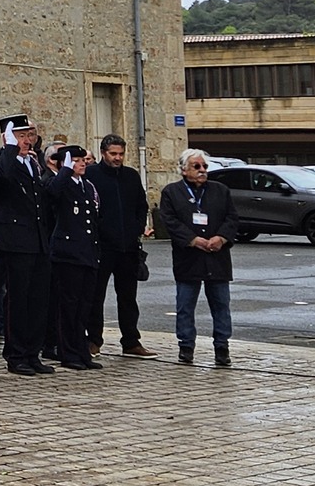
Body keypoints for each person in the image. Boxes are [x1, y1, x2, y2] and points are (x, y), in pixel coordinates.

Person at [159, 150, 239, 366]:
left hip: (217, 257)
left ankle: (222, 347)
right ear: (184, 170)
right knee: (185, 305)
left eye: (204, 166)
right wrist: (192, 240)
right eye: (197, 166)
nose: (202, 170)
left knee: (221, 305)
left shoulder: (220, 191)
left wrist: (221, 238)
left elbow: (232, 218)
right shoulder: (172, 192)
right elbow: (169, 220)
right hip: (188, 257)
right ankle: (186, 347)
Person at [0, 115, 54, 377]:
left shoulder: (33, 163)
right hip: (15, 241)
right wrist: (9, 148)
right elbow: (1, 178)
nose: (27, 141)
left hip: (37, 240)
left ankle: (32, 352)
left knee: (38, 299)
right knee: (18, 300)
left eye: (30, 135)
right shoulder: (0, 161)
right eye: (21, 136)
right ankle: (16, 354)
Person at [89, 135, 155, 357]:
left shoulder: (131, 176)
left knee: (128, 297)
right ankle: (93, 339)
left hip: (128, 247)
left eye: (121, 154)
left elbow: (141, 205)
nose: (117, 158)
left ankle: (131, 341)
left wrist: (137, 227)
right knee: (96, 296)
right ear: (103, 153)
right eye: (113, 154)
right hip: (102, 246)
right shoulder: (92, 175)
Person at [46, 145, 103, 370]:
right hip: (67, 254)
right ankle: (68, 352)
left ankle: (81, 351)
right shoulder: (60, 183)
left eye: (83, 160)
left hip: (87, 252)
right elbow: (52, 194)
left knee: (83, 306)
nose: (82, 164)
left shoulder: (86, 186)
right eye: (76, 160)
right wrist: (65, 171)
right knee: (68, 306)